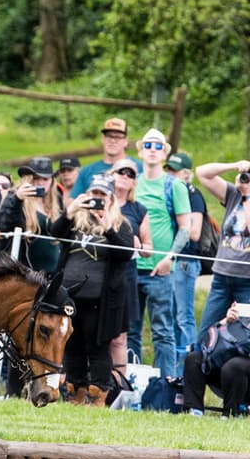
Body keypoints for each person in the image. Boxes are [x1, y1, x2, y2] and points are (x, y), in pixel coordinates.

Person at [50, 174, 134, 405]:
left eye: (102, 195)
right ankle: (75, 393)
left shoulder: (121, 225)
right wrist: (69, 212)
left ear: (110, 199)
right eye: (93, 194)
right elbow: (54, 233)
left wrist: (107, 228)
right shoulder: (75, 220)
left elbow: (125, 254)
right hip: (70, 296)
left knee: (97, 346)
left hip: (101, 299)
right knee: (72, 344)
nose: (97, 199)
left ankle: (98, 396)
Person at [127, 127, 190, 380]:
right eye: (148, 145)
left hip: (160, 270)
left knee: (163, 330)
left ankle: (165, 384)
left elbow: (186, 227)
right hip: (131, 268)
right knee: (130, 329)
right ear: (141, 151)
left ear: (165, 153)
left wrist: (170, 258)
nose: (153, 150)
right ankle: (131, 383)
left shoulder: (174, 186)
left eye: (158, 146)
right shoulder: (132, 183)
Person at [194, 159, 250, 336]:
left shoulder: (242, 195)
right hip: (221, 278)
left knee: (244, 338)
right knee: (205, 335)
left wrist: (246, 196)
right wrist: (234, 165)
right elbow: (202, 172)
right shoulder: (235, 195)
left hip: (246, 282)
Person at [109, 157, 151, 379]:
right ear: (111, 174)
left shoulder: (139, 210)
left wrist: (138, 244)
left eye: (131, 174)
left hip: (126, 275)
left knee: (120, 336)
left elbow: (149, 250)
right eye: (121, 172)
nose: (125, 177)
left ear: (135, 182)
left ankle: (118, 385)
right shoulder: (101, 202)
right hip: (100, 271)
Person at [165, 151, 206, 374]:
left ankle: (187, 370)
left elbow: (195, 232)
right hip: (172, 261)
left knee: (184, 317)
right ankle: (172, 369)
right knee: (170, 317)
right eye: (169, 170)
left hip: (186, 261)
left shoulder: (193, 195)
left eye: (176, 171)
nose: (171, 174)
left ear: (186, 173)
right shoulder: (169, 191)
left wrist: (177, 227)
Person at [182, 303, 250, 418]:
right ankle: (195, 409)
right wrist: (227, 320)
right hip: (224, 360)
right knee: (194, 359)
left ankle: (230, 413)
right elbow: (213, 336)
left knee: (233, 366)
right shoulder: (244, 310)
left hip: (242, 369)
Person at [0, 156, 61, 272]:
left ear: (52, 180)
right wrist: (17, 199)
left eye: (45, 179)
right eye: (36, 178)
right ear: (28, 179)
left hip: (52, 271)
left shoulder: (56, 201)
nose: (41, 183)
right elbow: (5, 224)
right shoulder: (14, 197)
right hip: (25, 271)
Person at [71, 117, 141, 198]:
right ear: (102, 139)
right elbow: (72, 202)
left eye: (117, 137)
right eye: (109, 136)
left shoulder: (139, 168)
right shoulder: (86, 171)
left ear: (125, 141)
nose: (113, 141)